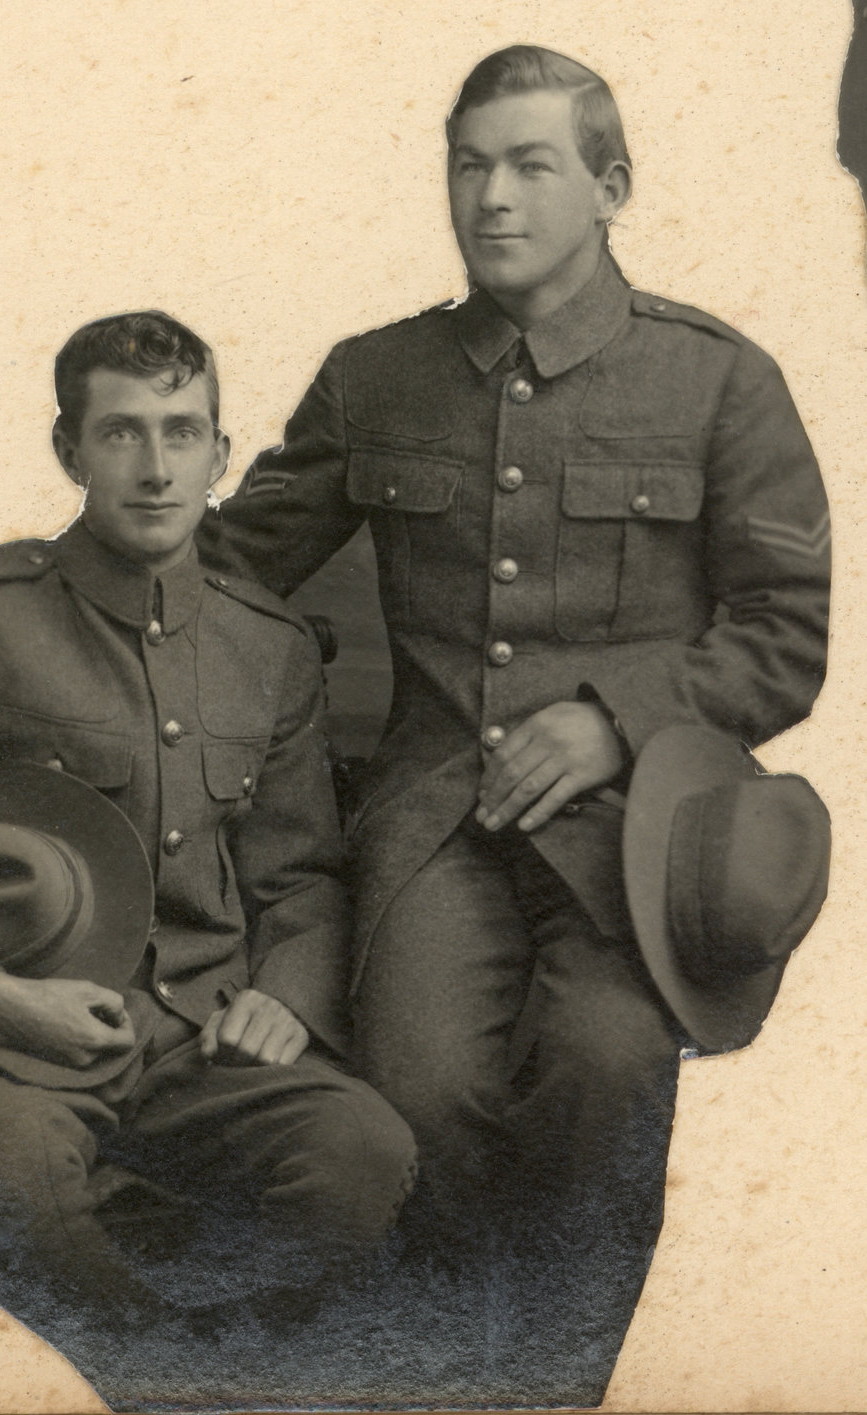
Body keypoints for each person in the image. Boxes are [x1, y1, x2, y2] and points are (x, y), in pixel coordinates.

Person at [198, 45, 831, 1405]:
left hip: (637, 837)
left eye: (528, 164)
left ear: (607, 187)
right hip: (429, 818)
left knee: (603, 1073)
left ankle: (546, 1387)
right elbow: (231, 571)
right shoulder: (375, 376)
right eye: (466, 162)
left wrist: (618, 717)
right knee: (418, 1086)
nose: (489, 197)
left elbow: (784, 633)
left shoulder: (718, 381)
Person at [0, 311, 416, 1396]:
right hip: (15, 1042)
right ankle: (168, 1380)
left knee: (363, 1155)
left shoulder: (267, 646)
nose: (158, 465)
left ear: (224, 455)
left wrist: (287, 992)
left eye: (184, 432)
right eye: (123, 433)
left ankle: (202, 1372)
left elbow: (300, 870)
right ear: (68, 450)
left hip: (200, 1043)